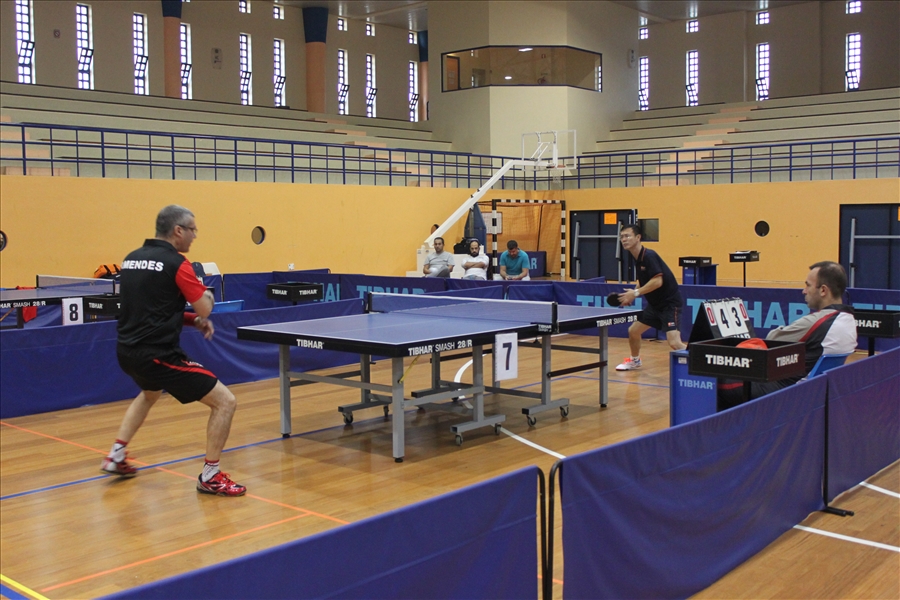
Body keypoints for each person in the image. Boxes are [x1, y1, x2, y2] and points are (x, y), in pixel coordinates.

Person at [101, 205, 246, 497]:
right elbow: (206, 307)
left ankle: (116, 454)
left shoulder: (131, 259)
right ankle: (210, 476)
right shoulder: (177, 263)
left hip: (126, 351)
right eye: (192, 230)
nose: (195, 236)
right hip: (158, 355)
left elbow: (152, 310)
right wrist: (204, 298)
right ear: (178, 231)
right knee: (225, 402)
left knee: (149, 394)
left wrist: (191, 321)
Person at [718, 261, 857, 409]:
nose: (804, 291)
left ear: (823, 290)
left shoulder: (818, 322)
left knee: (715, 381)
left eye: (808, 285)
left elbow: (772, 339)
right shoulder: (849, 320)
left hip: (788, 392)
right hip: (815, 391)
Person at [614, 223, 686, 370]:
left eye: (627, 236)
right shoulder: (637, 258)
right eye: (622, 237)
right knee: (633, 331)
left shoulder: (649, 256)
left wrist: (635, 293)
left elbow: (657, 281)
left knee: (674, 343)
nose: (624, 239)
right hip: (655, 306)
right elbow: (644, 280)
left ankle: (700, 363)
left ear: (638, 237)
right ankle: (635, 360)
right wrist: (633, 294)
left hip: (669, 305)